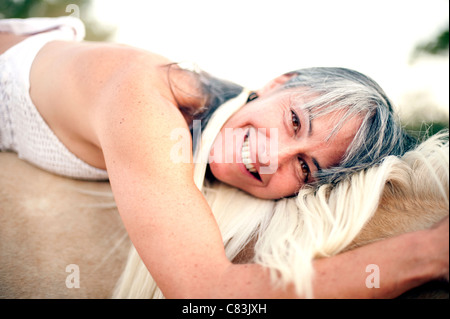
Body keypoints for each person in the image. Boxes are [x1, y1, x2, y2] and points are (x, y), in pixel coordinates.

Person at [0, 17, 448, 298]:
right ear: (278, 82)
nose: (273, 157)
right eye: (294, 122)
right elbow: (206, 291)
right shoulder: (146, 103)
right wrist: (429, 253)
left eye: (305, 167)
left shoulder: (225, 109)